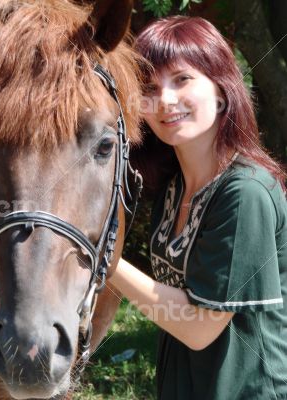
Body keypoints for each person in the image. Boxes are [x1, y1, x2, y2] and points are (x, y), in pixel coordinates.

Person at [108, 16, 287, 400]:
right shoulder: (172, 189)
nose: (165, 100)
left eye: (182, 79)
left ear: (221, 89)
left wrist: (101, 257)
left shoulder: (246, 193)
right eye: (150, 87)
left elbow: (199, 326)